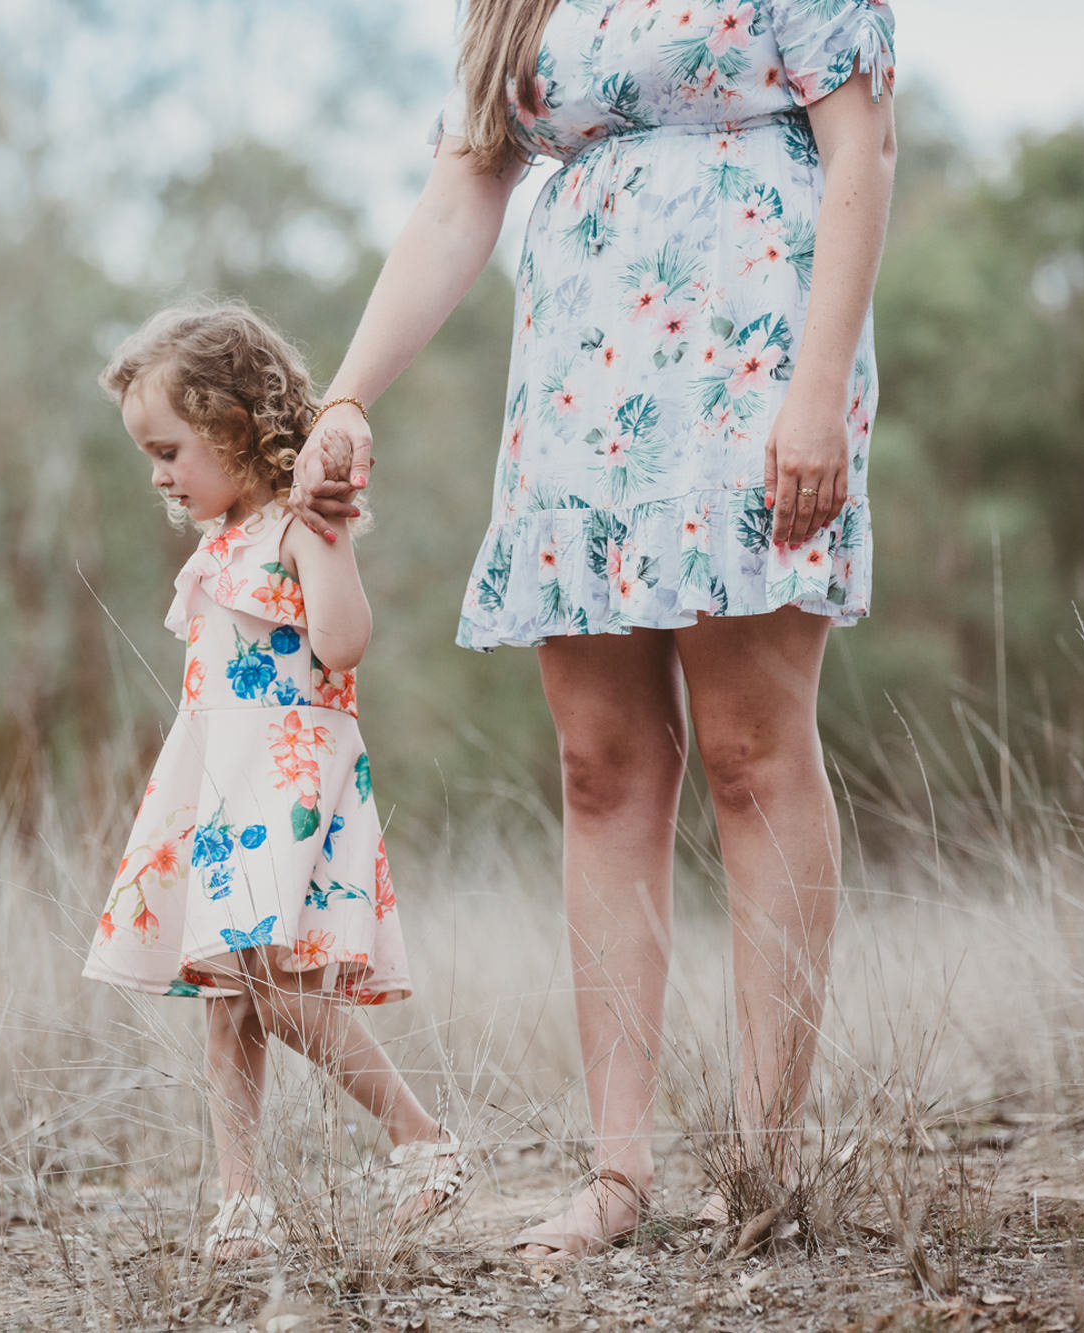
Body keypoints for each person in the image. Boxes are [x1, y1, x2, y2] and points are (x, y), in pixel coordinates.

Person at [288, 0, 898, 1260]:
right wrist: (346, 393)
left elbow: (860, 147)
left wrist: (818, 390)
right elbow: (464, 191)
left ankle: (759, 1164)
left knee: (748, 750)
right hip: (578, 388)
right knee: (599, 764)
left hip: (755, 361)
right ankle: (615, 1176)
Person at [83, 301, 469, 1262]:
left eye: (168, 449)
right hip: (222, 781)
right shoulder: (218, 541)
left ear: (233, 425)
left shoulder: (298, 529)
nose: (160, 475)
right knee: (229, 997)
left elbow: (343, 646)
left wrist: (324, 543)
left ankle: (420, 1137)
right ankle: (241, 1203)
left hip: (289, 777)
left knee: (280, 982)